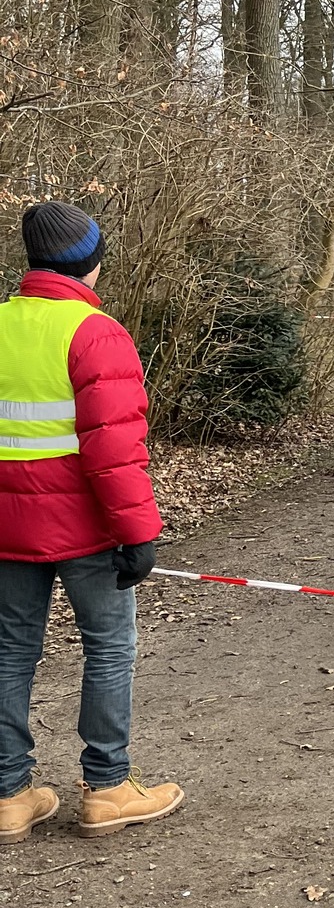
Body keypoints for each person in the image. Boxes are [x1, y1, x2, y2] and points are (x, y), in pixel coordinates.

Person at [0, 201, 183, 843]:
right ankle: (107, 788)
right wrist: (138, 533)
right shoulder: (95, 332)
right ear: (90, 262)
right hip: (87, 529)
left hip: (8, 529)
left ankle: (8, 796)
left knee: (10, 651)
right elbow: (115, 450)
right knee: (108, 647)